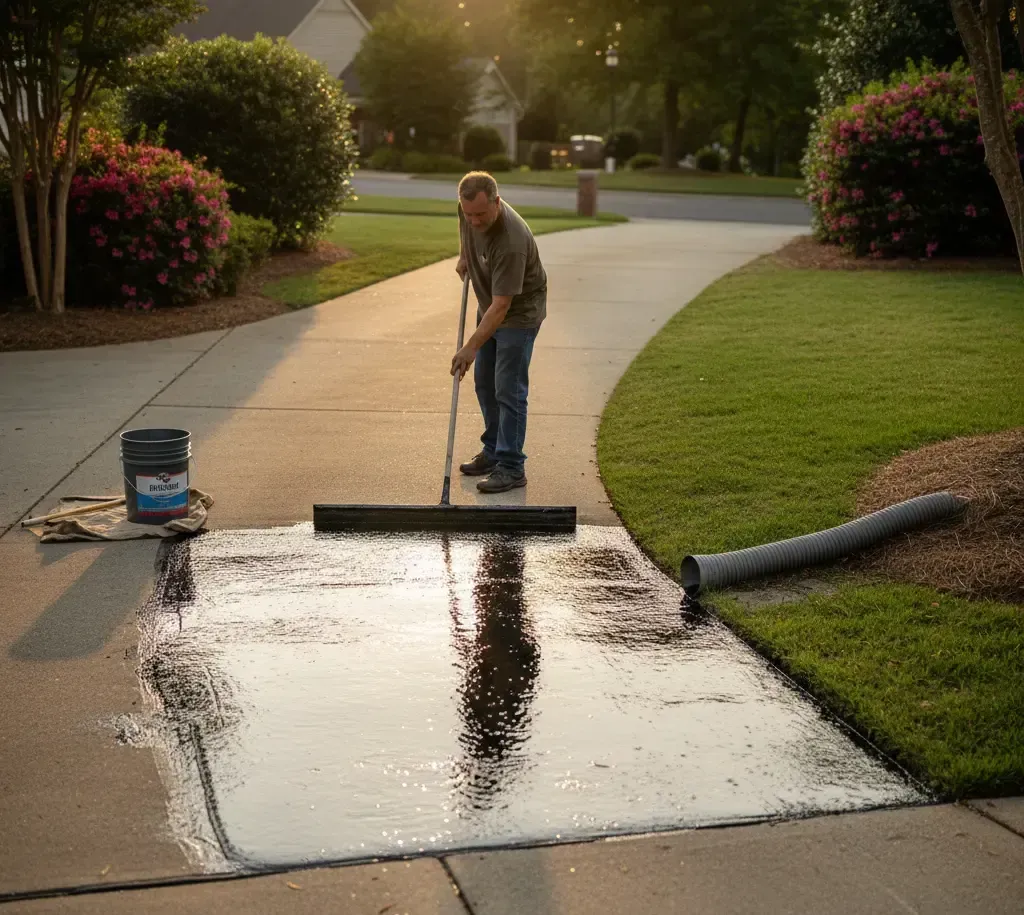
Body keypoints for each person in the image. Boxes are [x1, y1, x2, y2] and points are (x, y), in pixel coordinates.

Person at [451, 171, 548, 494]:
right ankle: (493, 451)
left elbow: (503, 307)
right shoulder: (468, 209)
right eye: (469, 214)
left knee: (508, 390)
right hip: (491, 302)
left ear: (497, 201)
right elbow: (465, 224)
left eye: (481, 214)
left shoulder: (511, 241)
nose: (474, 221)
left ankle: (511, 466)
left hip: (517, 315)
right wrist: (465, 253)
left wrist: (470, 347)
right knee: (484, 384)